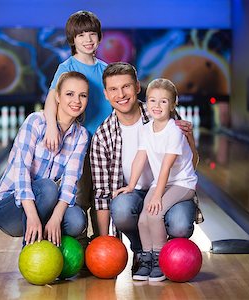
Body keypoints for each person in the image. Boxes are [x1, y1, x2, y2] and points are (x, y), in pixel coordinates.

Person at [90, 62, 200, 274]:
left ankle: (165, 257)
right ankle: (142, 252)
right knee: (121, 208)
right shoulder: (103, 136)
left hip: (172, 188)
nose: (121, 94)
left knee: (179, 224)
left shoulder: (161, 115)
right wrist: (104, 243)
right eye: (113, 89)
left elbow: (190, 162)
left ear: (137, 87)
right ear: (105, 94)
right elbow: (102, 196)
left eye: (126, 87)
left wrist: (191, 140)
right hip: (138, 194)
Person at [113, 78, 198, 281]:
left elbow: (166, 167)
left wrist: (157, 196)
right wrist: (131, 186)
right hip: (161, 182)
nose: (157, 106)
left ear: (173, 104)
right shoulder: (146, 128)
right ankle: (147, 258)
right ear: (146, 102)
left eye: (163, 101)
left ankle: (160, 259)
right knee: (143, 217)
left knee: (154, 212)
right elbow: (139, 158)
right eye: (152, 100)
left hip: (182, 183)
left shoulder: (175, 131)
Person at [0, 71, 90, 247]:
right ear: (57, 97)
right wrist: (32, 216)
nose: (77, 100)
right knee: (48, 187)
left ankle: (50, 250)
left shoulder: (81, 135)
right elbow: (21, 171)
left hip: (45, 202)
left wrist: (56, 218)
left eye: (82, 95)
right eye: (70, 94)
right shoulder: (36, 122)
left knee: (76, 220)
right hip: (9, 207)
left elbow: (70, 181)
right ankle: (31, 253)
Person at [43, 10, 111, 242]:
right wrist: (51, 127)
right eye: (82, 35)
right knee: (80, 198)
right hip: (77, 147)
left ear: (99, 37)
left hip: (105, 147)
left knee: (102, 200)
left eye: (92, 34)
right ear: (73, 39)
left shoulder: (105, 69)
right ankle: (80, 249)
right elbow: (51, 99)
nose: (88, 40)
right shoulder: (66, 67)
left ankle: (103, 247)